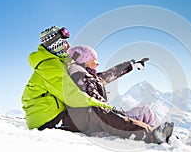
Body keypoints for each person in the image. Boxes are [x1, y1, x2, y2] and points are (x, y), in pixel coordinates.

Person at [21, 26, 173, 144]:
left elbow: (103, 76)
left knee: (112, 113)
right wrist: (101, 104)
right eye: (64, 42)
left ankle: (158, 134)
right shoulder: (53, 66)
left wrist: (130, 66)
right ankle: (152, 135)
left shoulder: (63, 64)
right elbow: (72, 95)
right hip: (46, 119)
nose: (68, 46)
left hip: (58, 113)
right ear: (56, 44)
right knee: (103, 114)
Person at [67, 45, 160, 127]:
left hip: (99, 117)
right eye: (94, 59)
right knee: (145, 112)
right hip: (96, 121)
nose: (97, 63)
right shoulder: (82, 78)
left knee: (144, 111)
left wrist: (132, 65)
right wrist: (117, 113)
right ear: (85, 61)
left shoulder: (88, 77)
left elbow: (111, 74)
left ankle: (160, 133)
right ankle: (159, 134)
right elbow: (96, 101)